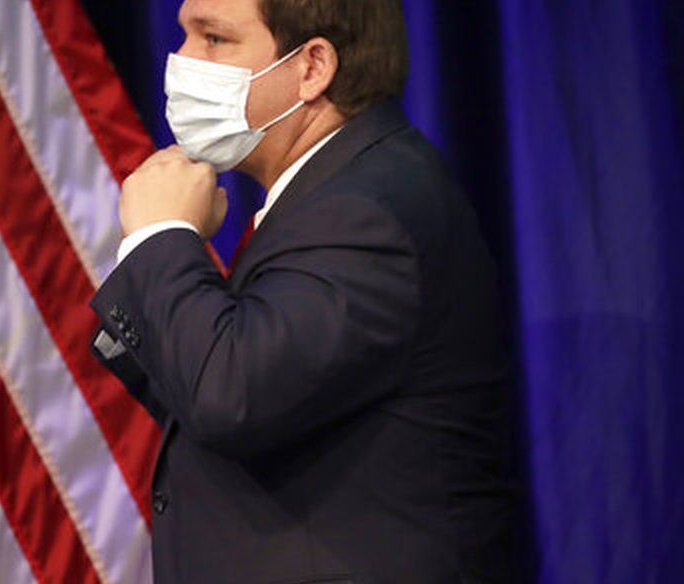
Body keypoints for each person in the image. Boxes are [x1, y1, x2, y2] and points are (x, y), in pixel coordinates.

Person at [90, 0, 519, 582]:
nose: (182, 61)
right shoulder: (332, 193)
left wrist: (161, 239)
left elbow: (230, 397)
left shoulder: (367, 211)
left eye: (214, 39)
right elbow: (238, 397)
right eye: (183, 34)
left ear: (312, 66)